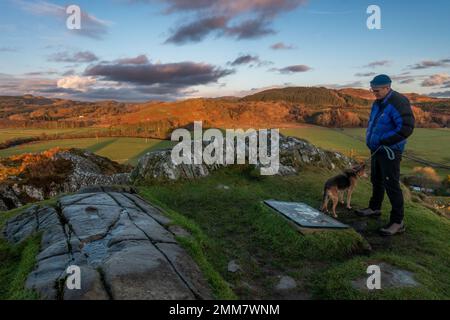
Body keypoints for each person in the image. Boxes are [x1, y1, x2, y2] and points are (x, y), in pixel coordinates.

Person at [356, 74, 415, 236]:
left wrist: (385, 140)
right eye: (372, 90)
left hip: (390, 151)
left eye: (376, 90)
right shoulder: (378, 102)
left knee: (392, 185)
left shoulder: (398, 101)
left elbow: (406, 127)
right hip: (377, 149)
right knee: (376, 180)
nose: (374, 93)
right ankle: (374, 208)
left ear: (387, 87)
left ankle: (398, 222)